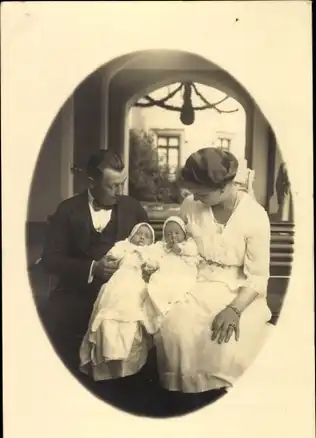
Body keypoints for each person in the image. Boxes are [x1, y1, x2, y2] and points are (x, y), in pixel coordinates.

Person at [154, 147, 273, 412]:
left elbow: (258, 276)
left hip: (238, 290)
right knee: (175, 326)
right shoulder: (191, 205)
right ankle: (184, 402)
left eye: (202, 193)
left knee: (223, 340)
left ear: (225, 186)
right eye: (193, 191)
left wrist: (234, 310)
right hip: (194, 279)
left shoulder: (254, 217)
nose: (194, 197)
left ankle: (222, 405)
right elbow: (177, 237)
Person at [40, 149, 151, 382]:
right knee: (53, 320)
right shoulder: (68, 210)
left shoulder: (132, 208)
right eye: (113, 186)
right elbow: (50, 259)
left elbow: (150, 249)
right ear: (91, 181)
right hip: (79, 290)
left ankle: (129, 387)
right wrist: (91, 268)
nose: (120, 192)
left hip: (124, 292)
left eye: (122, 184)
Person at [79, 222, 155, 381]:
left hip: (137, 283)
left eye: (147, 236)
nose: (142, 237)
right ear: (131, 235)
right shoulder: (123, 246)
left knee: (131, 315)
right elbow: (111, 256)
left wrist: (149, 268)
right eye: (139, 233)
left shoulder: (150, 252)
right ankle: (107, 357)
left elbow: (154, 265)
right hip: (118, 281)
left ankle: (126, 362)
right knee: (108, 313)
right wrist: (113, 258)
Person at [142, 216, 202, 334]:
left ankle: (168, 306)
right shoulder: (162, 247)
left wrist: (179, 250)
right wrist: (150, 265)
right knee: (157, 288)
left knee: (179, 288)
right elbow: (153, 256)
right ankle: (158, 313)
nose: (173, 236)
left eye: (176, 233)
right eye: (169, 234)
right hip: (165, 274)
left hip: (182, 273)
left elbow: (193, 250)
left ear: (184, 234)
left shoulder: (188, 245)